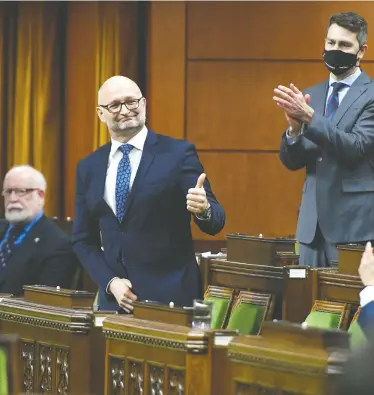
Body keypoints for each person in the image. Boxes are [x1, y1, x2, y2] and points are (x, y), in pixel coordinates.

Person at [72, 75, 225, 312]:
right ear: (100, 113)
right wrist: (111, 283)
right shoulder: (88, 167)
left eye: (131, 102)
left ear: (143, 104)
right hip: (115, 303)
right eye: (114, 105)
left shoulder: (177, 154)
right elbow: (83, 240)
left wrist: (204, 209)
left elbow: (216, 221)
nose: (125, 110)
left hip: (171, 300)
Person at [274, 12, 374, 267]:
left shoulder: (370, 95)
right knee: (305, 302)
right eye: (330, 43)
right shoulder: (311, 95)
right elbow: (292, 162)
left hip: (352, 226)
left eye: (344, 45)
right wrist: (294, 131)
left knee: (349, 304)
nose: (335, 50)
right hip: (311, 226)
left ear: (361, 51)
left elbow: (356, 147)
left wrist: (309, 118)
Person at [0, 165, 78, 294]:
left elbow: (44, 303)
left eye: (22, 191)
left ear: (40, 195)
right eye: (8, 192)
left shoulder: (58, 245)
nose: (13, 199)